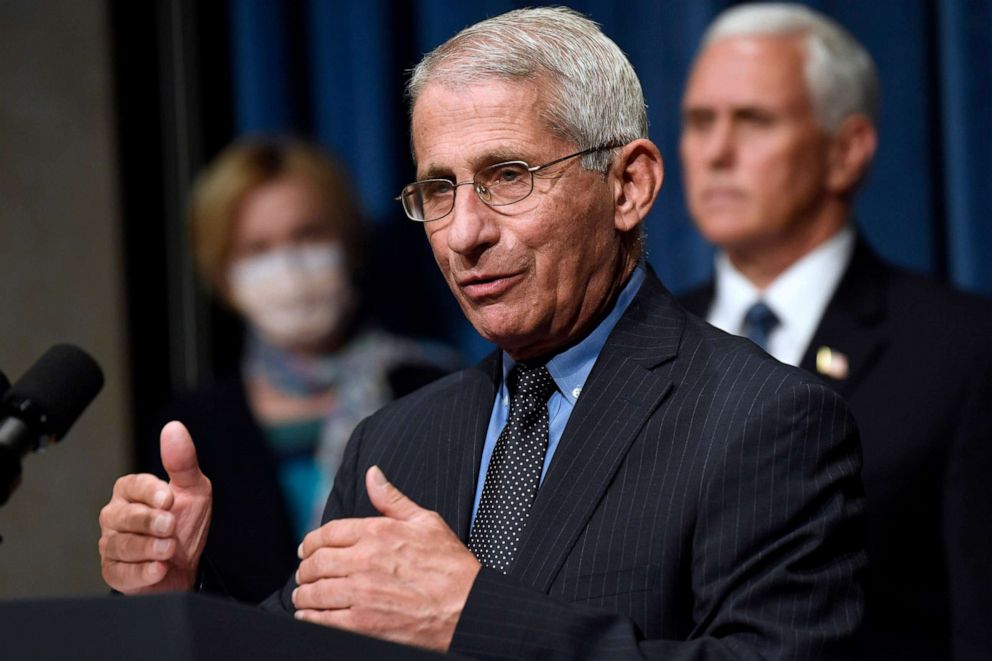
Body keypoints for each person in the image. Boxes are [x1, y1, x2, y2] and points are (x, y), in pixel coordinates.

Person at [98, 8, 866, 659]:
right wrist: (175, 600)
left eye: (508, 176)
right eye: (439, 188)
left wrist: (474, 619)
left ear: (628, 185)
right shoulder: (391, 443)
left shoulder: (764, 418)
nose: (464, 233)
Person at [676, 5, 992, 660]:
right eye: (699, 122)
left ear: (845, 151)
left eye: (753, 120)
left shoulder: (964, 349)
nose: (717, 151)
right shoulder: (634, 344)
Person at [141, 137, 461, 602]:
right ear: (223, 275)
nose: (288, 265)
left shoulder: (436, 386)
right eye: (257, 248)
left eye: (308, 235)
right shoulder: (191, 429)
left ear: (349, 244)